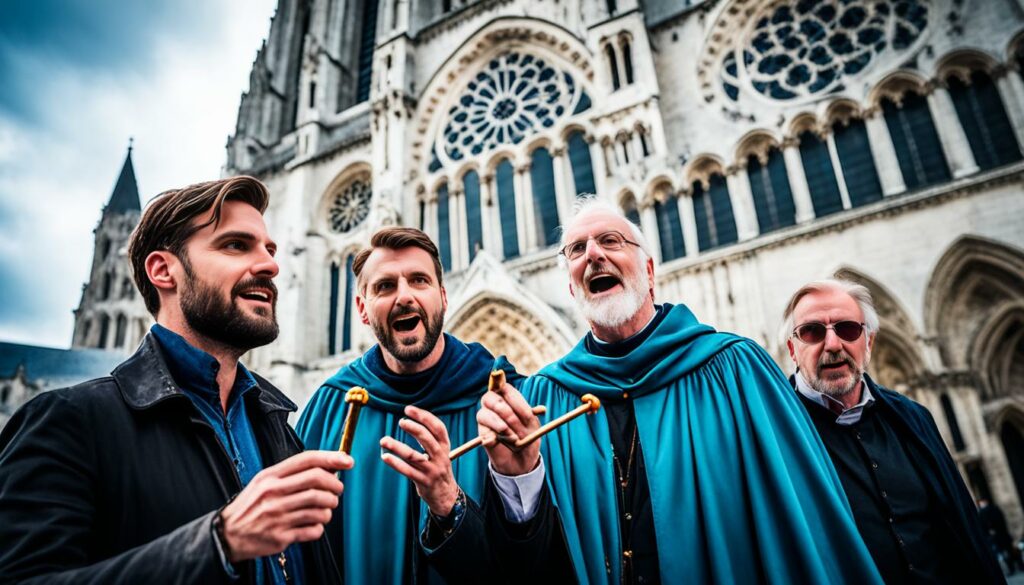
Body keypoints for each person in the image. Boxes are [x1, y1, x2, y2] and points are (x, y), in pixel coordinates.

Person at [475, 197, 883, 584]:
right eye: (576, 250)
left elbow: (804, 524)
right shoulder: (548, 396)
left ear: (650, 272)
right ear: (572, 289)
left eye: (610, 241)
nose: (593, 254)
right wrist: (518, 476)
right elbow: (530, 558)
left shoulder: (737, 369)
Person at [0, 177, 348, 584]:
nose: (271, 265)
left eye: (269, 250)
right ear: (163, 270)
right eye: (236, 245)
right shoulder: (67, 422)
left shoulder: (279, 430)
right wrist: (218, 542)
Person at [296, 227, 545, 584]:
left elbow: (537, 557)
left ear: (443, 297)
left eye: (419, 280)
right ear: (362, 309)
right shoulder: (329, 409)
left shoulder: (506, 404)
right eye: (384, 286)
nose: (404, 296)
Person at [782, 278, 1005, 584]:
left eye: (848, 329)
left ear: (869, 343)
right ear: (793, 350)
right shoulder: (775, 435)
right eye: (812, 331)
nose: (833, 345)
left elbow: (962, 530)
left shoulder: (914, 418)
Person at [979, 498, 1022, 574]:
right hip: (999, 535)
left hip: (1000, 534)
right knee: (1006, 552)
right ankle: (1014, 567)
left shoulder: (989, 511)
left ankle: (1015, 567)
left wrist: (991, 530)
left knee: (1008, 551)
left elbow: (997, 521)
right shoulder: (989, 511)